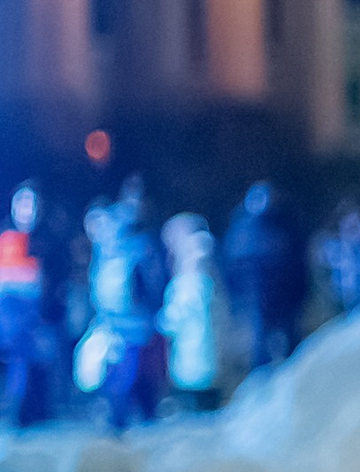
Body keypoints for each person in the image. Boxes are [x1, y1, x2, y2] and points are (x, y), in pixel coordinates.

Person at [78, 177, 169, 432]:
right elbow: (153, 281)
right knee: (133, 373)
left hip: (119, 318)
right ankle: (134, 421)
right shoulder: (139, 240)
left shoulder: (111, 238)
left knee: (126, 373)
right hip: (134, 319)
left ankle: (123, 420)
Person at [221, 182, 308, 369]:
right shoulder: (243, 229)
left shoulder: (282, 224)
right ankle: (260, 370)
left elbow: (296, 259)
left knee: (287, 331)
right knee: (259, 334)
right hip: (256, 296)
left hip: (282, 294)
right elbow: (234, 266)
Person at [0, 184, 66, 427]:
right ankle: (17, 416)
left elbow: (58, 283)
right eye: (24, 203)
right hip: (12, 322)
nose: (29, 210)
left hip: (41, 320)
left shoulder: (49, 242)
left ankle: (40, 415)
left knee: (40, 367)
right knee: (19, 368)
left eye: (34, 204)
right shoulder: (5, 238)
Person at [159, 216, 231, 411]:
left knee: (196, 388)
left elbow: (175, 316)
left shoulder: (188, 284)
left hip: (194, 351)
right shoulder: (208, 283)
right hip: (207, 349)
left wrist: (165, 321)